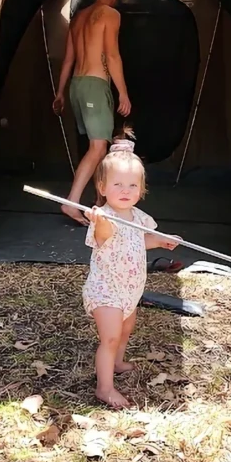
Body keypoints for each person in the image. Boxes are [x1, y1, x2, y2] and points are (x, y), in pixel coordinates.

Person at [83, 133, 179, 409]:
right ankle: (105, 388)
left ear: (141, 188)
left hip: (130, 289)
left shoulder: (139, 218)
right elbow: (104, 238)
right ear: (102, 187)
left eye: (132, 185)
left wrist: (160, 240)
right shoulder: (104, 218)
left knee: (125, 332)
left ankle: (117, 362)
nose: (125, 190)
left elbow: (140, 241)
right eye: (117, 184)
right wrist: (99, 221)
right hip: (107, 290)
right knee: (110, 337)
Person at [52, 0, 131, 224]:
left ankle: (100, 201)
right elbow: (112, 55)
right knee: (98, 148)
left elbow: (68, 59)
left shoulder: (78, 18)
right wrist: (123, 92)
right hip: (95, 86)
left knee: (97, 147)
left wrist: (60, 91)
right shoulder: (110, 15)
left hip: (77, 85)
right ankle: (72, 204)